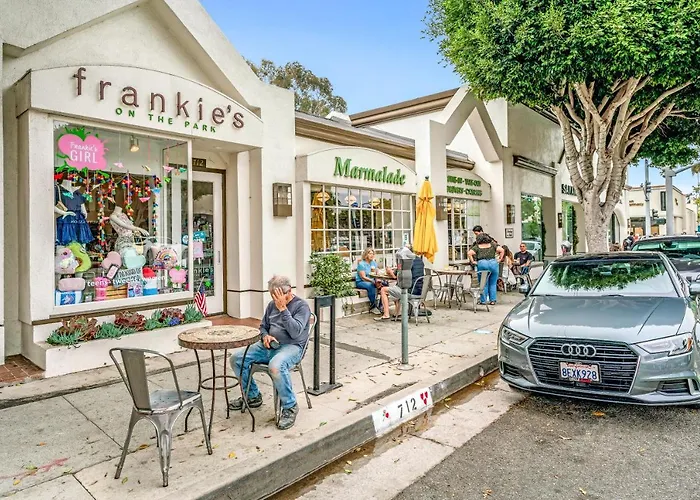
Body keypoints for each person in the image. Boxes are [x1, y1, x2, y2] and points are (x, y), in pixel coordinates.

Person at [229, 275, 311, 430]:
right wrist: (265, 336)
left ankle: (290, 406)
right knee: (237, 358)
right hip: (268, 346)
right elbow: (263, 326)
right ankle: (252, 396)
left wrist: (283, 310)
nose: (275, 300)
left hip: (292, 347)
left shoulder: (302, 306)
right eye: (272, 296)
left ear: (289, 291)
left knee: (276, 366)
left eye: (278, 296)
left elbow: (295, 332)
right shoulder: (271, 305)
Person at [377, 245, 425, 320]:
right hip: (419, 290)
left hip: (409, 291)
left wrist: (390, 272)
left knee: (383, 290)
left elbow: (397, 277)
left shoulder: (406, 261)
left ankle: (386, 314)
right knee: (396, 287)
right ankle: (397, 313)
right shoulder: (420, 260)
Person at [468, 233, 504, 305]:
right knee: (493, 283)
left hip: (482, 264)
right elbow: (502, 250)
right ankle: (492, 300)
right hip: (493, 264)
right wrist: (500, 259)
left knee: (483, 284)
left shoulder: (477, 247)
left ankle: (483, 300)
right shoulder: (493, 245)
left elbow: (469, 253)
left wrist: (473, 261)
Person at [356, 247, 381, 314]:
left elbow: (377, 272)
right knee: (371, 286)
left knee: (384, 284)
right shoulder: (361, 264)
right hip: (361, 282)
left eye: (373, 254)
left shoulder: (373, 263)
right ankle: (373, 306)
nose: (371, 255)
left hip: (372, 280)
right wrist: (373, 281)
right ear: (366, 255)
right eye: (370, 254)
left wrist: (378, 280)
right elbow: (363, 277)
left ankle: (381, 305)